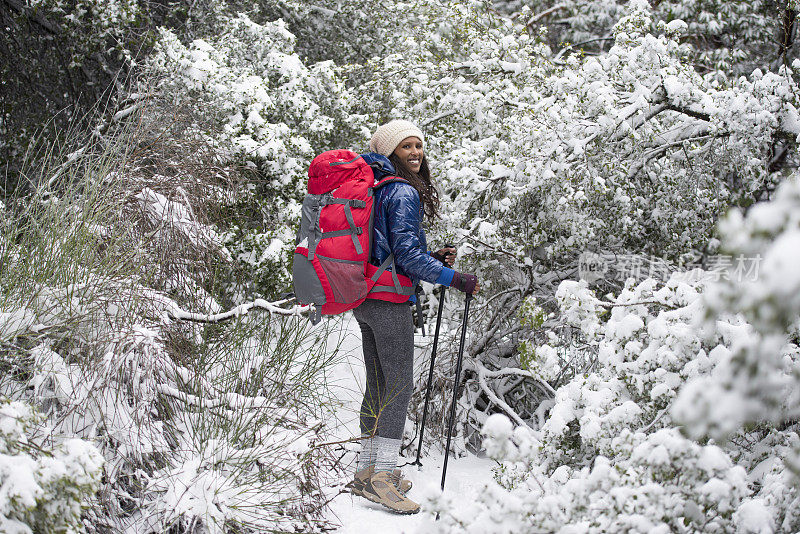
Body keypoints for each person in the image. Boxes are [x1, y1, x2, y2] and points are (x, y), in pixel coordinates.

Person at [347, 119, 480, 514]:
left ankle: (366, 470)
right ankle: (383, 478)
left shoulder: (375, 187)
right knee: (400, 384)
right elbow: (405, 256)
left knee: (378, 383)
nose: (416, 153)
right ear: (390, 153)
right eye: (406, 147)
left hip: (364, 297)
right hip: (388, 302)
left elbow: (386, 249)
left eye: (419, 145)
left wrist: (431, 259)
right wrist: (454, 276)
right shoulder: (402, 191)